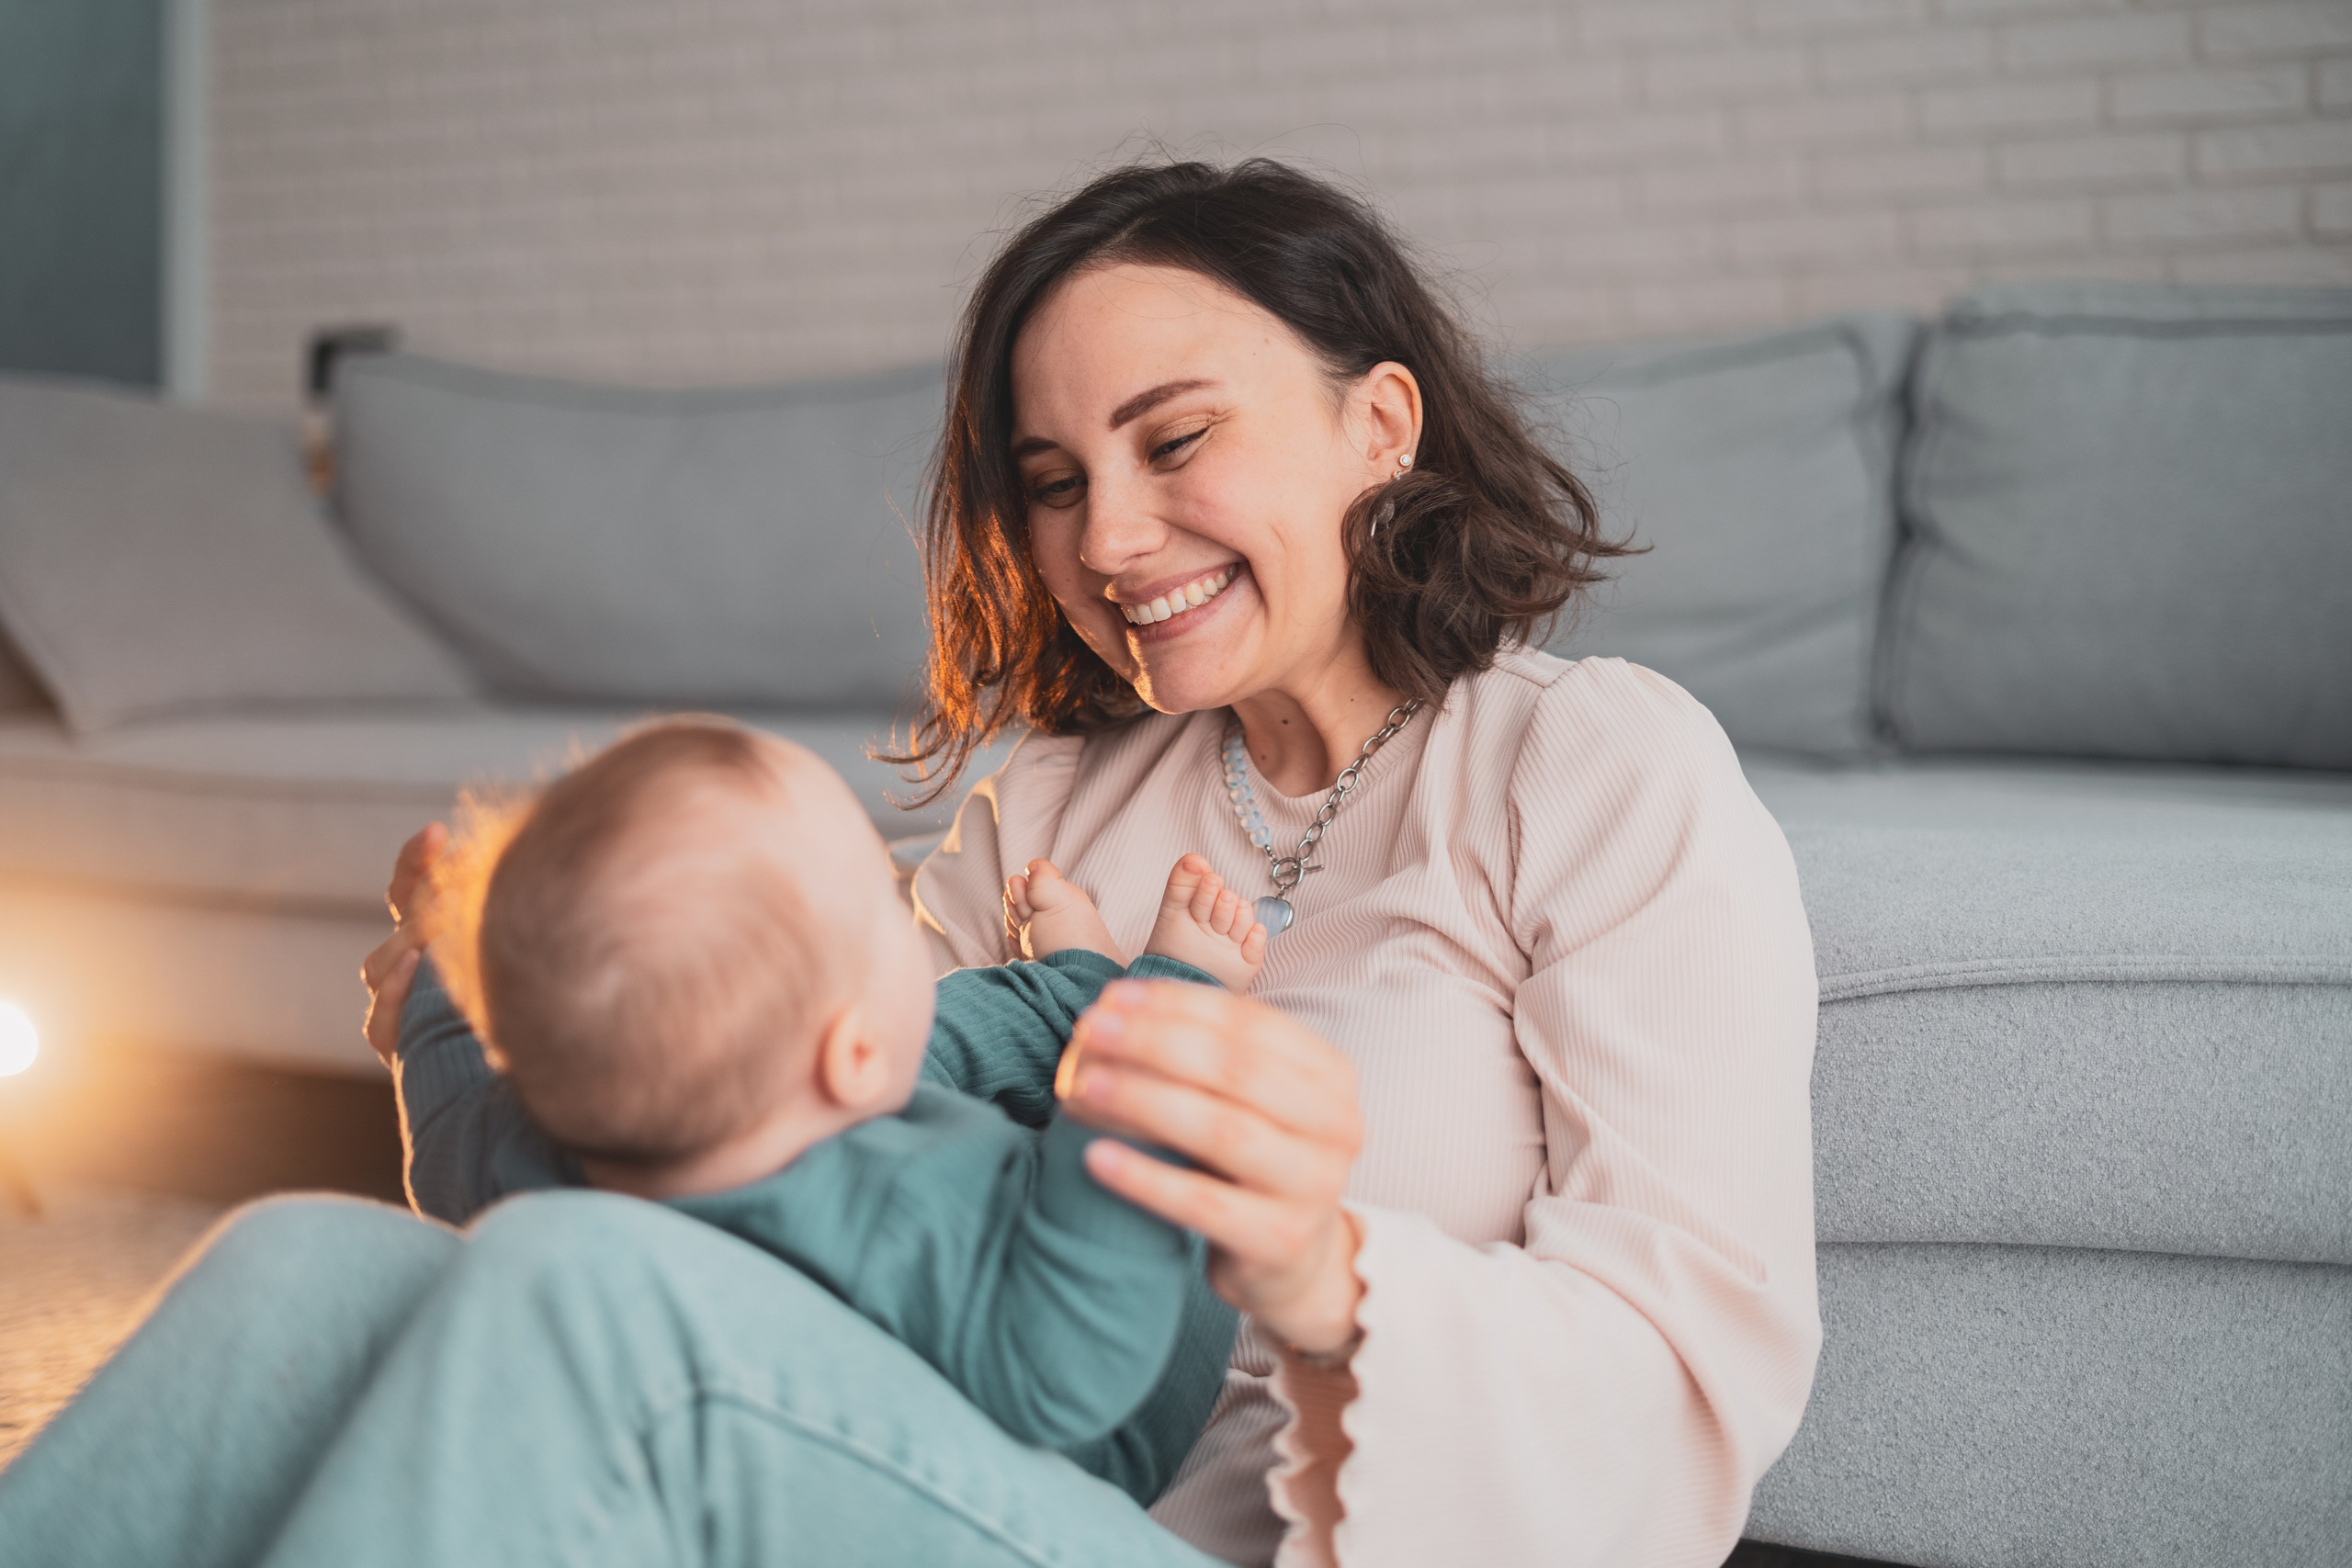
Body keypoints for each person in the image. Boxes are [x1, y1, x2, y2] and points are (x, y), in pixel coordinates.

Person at [0, 157, 1818, 1568]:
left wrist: (1318, 1265)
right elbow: (791, 1167)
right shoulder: (1047, 806)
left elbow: (1693, 1382)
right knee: (298, 1265)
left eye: (1173, 440)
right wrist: (496, 1026)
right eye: (1048, 478)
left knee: (588, 1302)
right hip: (937, 1463)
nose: (1105, 535)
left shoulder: (1593, 766)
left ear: (1380, 424)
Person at [395, 714, 1263, 1490]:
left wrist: (437, 964)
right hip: (1082, 1426)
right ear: (850, 1056)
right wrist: (1150, 1044)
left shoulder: (517, 1155)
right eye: (886, 898)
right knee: (1060, 1103)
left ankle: (1078, 989)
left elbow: (444, 1120)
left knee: (886, 1048)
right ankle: (1121, 1000)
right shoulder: (901, 1211)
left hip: (826, 1159)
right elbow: (1074, 1359)